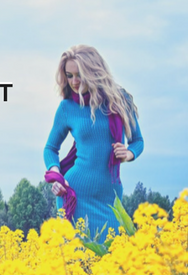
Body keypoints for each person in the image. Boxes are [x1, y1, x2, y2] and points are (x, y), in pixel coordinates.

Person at [43, 44, 144, 241]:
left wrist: (129, 153)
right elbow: (50, 148)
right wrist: (55, 172)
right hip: (75, 194)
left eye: (78, 74)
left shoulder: (120, 100)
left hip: (110, 196)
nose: (74, 81)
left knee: (113, 261)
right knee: (78, 266)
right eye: (69, 75)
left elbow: (138, 141)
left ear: (93, 71)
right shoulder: (67, 108)